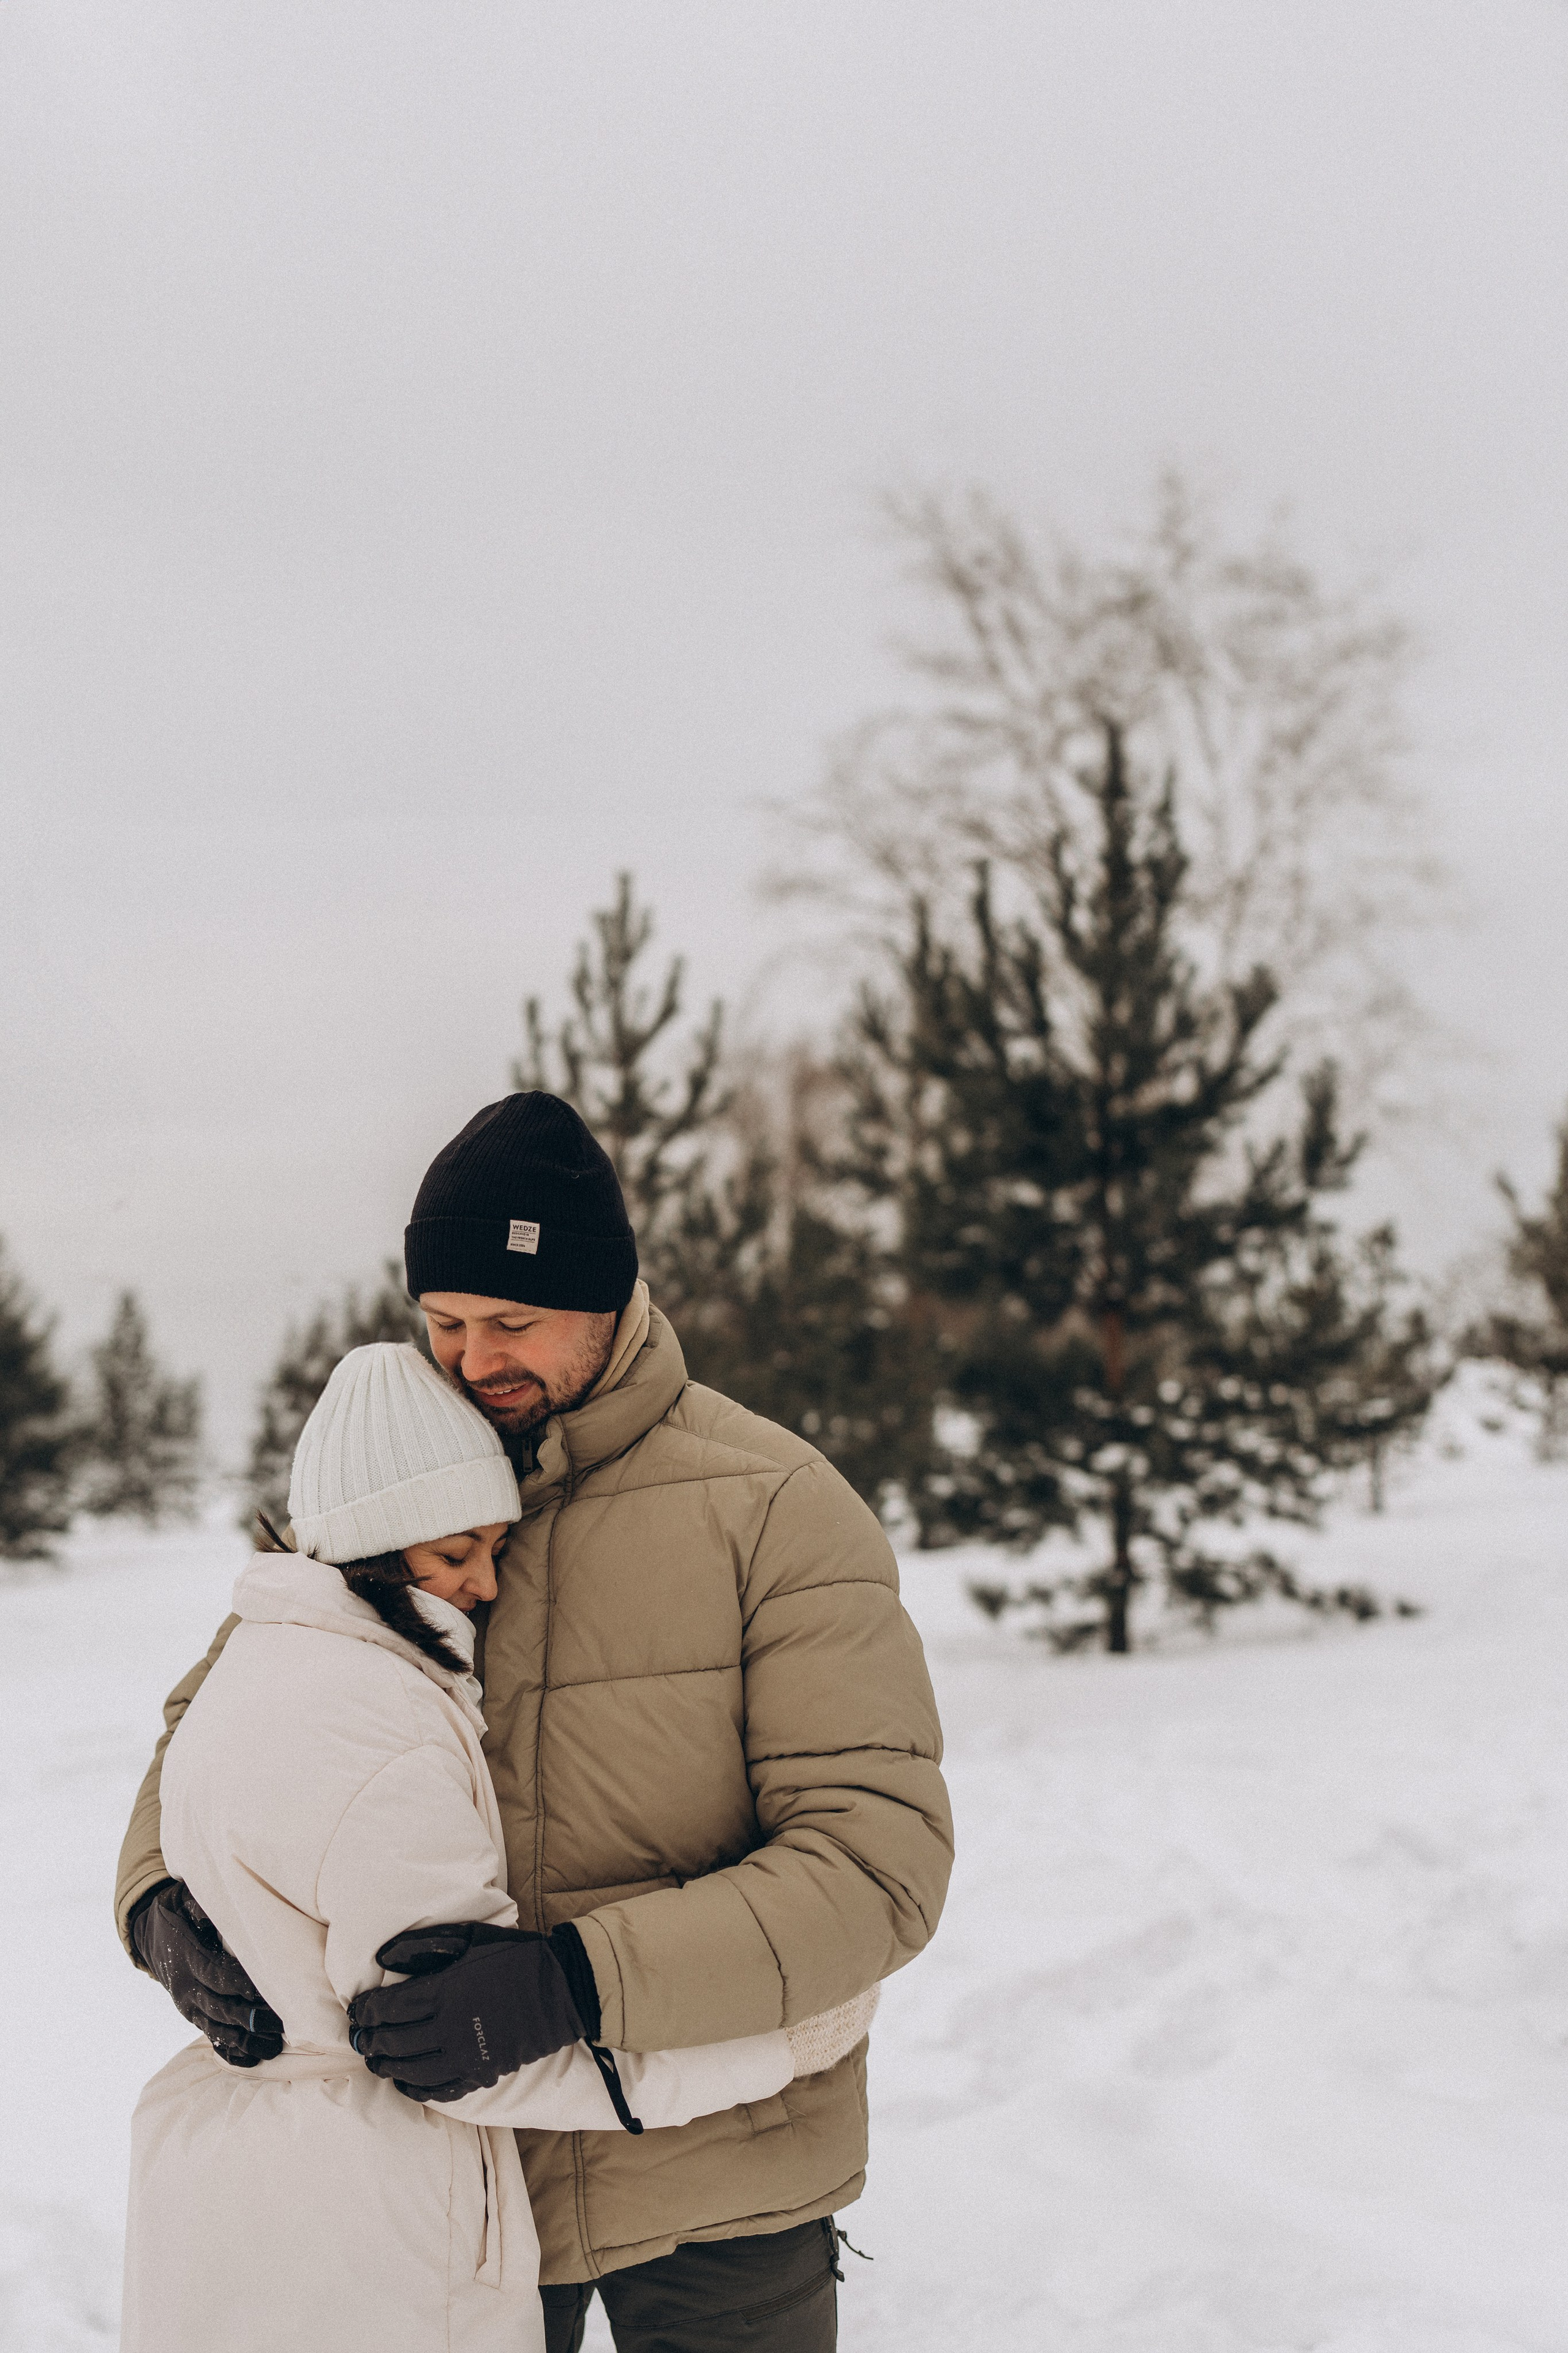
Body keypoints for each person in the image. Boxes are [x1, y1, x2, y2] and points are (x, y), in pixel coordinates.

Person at [117, 1091, 953, 2352]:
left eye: (514, 1320)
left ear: (612, 1300)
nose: (471, 1358)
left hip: (720, 2186)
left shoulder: (775, 1507)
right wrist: (155, 1898)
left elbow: (875, 1865)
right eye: (444, 1322)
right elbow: (232, 1705)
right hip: (462, 2193)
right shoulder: (399, 1489)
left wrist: (578, 1984)